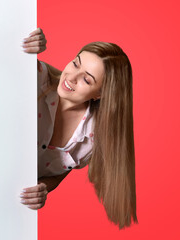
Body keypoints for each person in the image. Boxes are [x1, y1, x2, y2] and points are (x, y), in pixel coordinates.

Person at [20, 28, 138, 229]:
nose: (72, 77)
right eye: (76, 63)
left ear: (100, 94)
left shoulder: (93, 139)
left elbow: (61, 170)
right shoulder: (37, 77)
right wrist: (25, 45)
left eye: (86, 79)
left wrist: (44, 188)